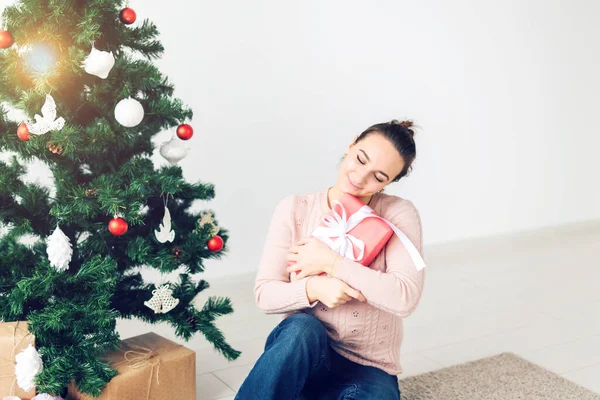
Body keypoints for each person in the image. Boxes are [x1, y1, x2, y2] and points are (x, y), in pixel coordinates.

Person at [235, 120, 426, 400]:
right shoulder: (294, 208)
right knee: (302, 328)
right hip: (304, 355)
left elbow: (404, 297)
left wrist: (332, 262)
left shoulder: (398, 214)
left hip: (367, 369)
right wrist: (314, 289)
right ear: (351, 145)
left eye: (379, 177)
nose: (360, 178)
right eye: (360, 160)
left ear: (390, 183)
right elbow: (265, 294)